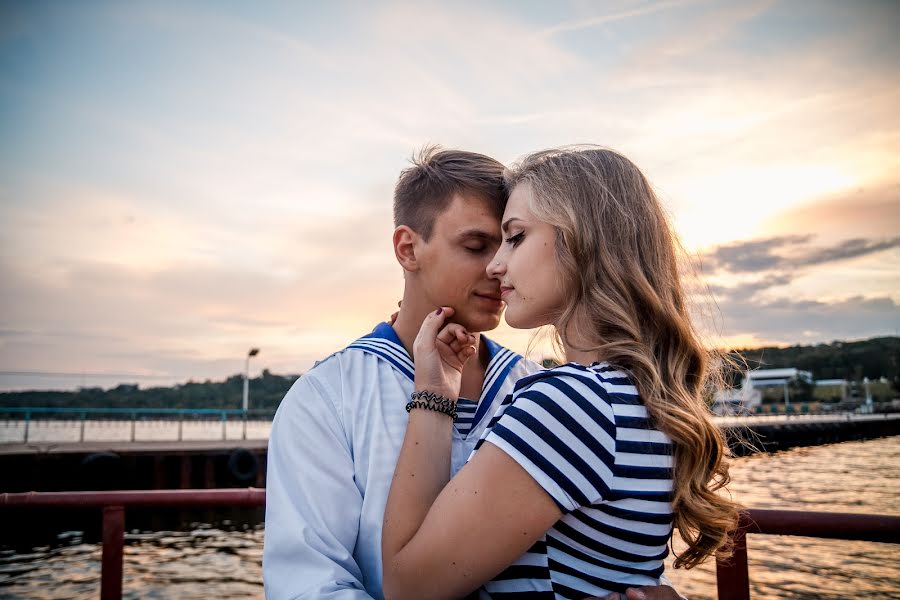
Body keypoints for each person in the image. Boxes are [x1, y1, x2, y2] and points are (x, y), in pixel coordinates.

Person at [263, 147, 683, 600]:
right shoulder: (329, 397)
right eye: (477, 245)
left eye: (512, 239)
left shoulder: (541, 387)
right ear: (408, 248)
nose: (496, 266)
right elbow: (309, 586)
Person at [381, 147, 741, 599]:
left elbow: (407, 587)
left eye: (515, 237)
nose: (496, 265)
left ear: (579, 239)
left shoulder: (570, 404)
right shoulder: (637, 397)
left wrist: (432, 393)